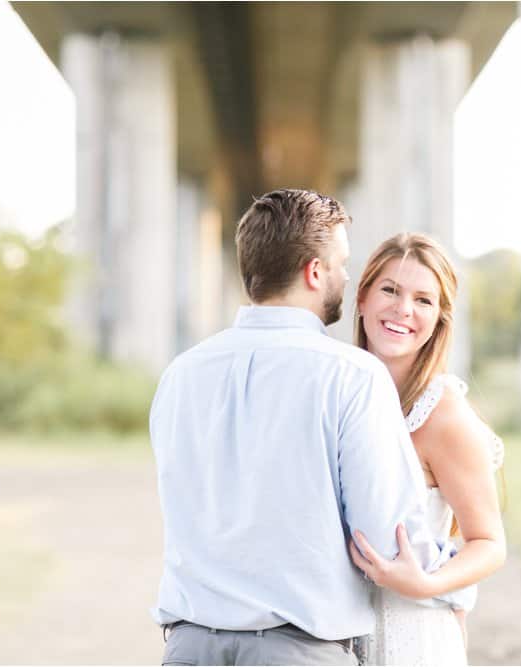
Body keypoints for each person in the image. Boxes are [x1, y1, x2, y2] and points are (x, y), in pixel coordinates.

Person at [149, 190, 472, 666]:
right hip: (297, 650)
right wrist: (456, 583)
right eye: (341, 263)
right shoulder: (353, 375)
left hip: (189, 647)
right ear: (315, 272)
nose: (346, 275)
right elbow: (386, 537)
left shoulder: (180, 374)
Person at [348, 233, 507, 665]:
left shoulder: (444, 416)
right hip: (334, 638)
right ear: (362, 299)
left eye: (423, 300)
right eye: (390, 290)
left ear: (439, 319)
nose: (403, 310)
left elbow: (489, 542)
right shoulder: (338, 395)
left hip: (412, 636)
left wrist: (427, 585)